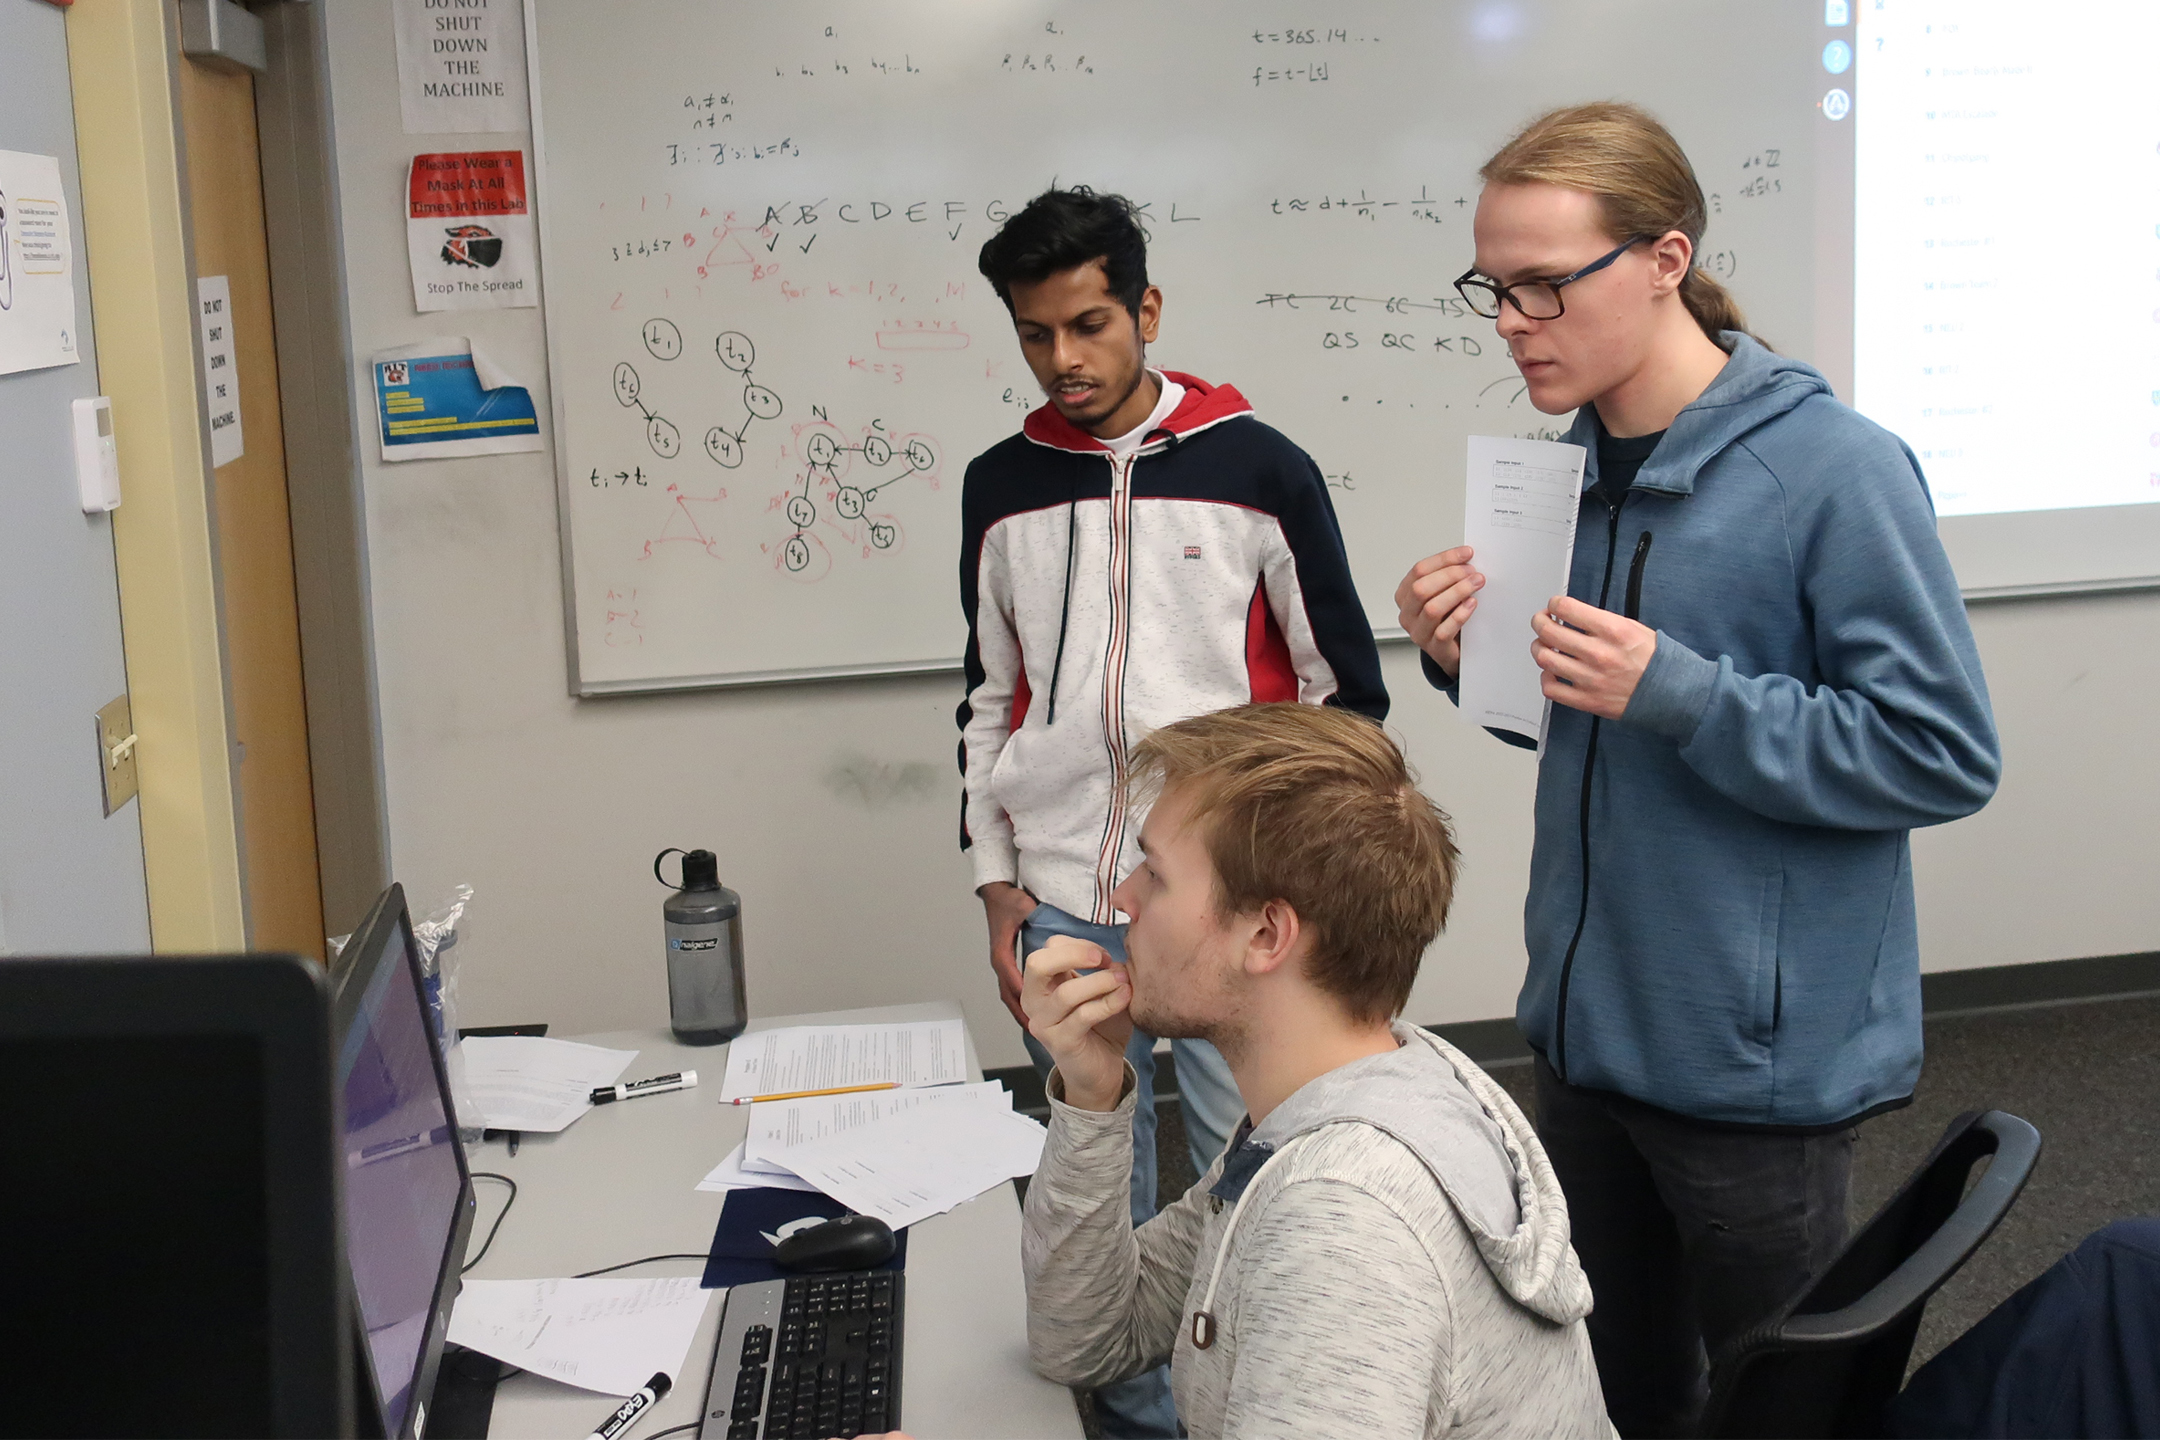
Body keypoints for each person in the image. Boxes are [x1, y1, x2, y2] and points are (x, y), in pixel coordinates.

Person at [1395, 102, 2000, 1436]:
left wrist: (1683, 692)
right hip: (1584, 1036)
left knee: (1781, 1404)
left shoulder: (1833, 472)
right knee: (1613, 1393)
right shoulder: (1575, 473)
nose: (1513, 321)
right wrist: (1465, 655)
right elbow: (1568, 724)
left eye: (1548, 284)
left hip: (1752, 1076)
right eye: (1495, 288)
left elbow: (1942, 753)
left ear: (1666, 260)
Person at [958, 187, 1388, 1436]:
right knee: (1093, 1179)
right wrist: (1000, 890)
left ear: (1147, 308)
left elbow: (1345, 704)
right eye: (1037, 335)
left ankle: (1240, 1408)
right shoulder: (1002, 487)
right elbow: (989, 702)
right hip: (1061, 908)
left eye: (1089, 324)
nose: (1066, 360)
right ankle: (1142, 1419)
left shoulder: (1262, 470)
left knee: (1247, 1181)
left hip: (1221, 914)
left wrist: (1284, 891)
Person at [1017, 702, 1612, 1439]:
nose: (1122, 895)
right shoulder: (1339, 1100)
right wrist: (1093, 1092)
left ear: (1266, 934)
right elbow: (1087, 1335)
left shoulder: (1343, 1217)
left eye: (1158, 875)